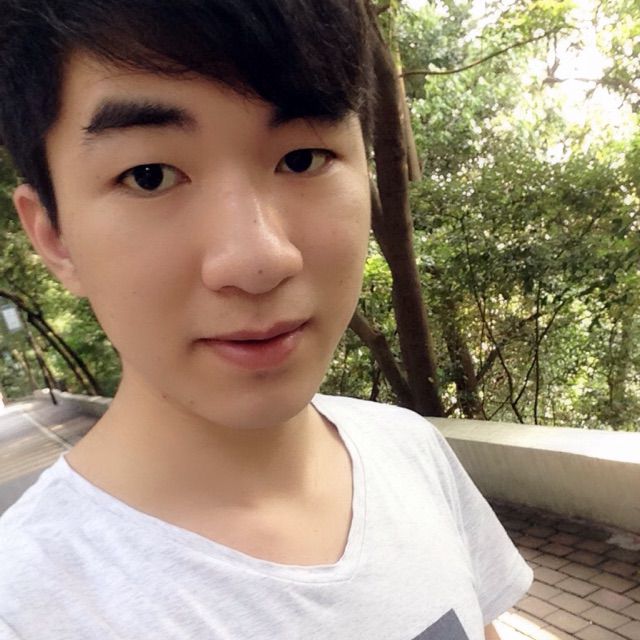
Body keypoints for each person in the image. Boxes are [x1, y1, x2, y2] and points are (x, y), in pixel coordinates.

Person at [0, 1, 532, 638]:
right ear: (55, 237)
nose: (257, 260)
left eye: (302, 158)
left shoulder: (408, 451)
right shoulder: (27, 606)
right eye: (148, 175)